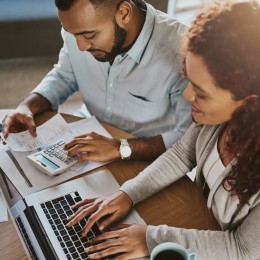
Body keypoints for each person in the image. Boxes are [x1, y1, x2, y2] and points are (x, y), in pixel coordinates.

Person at [64, 1, 260, 259]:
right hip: (199, 228)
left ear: (250, 103)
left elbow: (243, 249)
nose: (188, 95)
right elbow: (181, 155)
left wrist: (150, 238)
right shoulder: (218, 119)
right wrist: (127, 194)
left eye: (201, 93)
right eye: (189, 80)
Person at [1, 0, 192, 162]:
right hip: (83, 135)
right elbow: (65, 75)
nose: (81, 46)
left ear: (124, 13)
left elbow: (189, 138)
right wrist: (28, 106)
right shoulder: (80, 27)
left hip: (144, 159)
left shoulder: (181, 52)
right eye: (72, 33)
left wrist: (121, 148)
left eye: (89, 35)